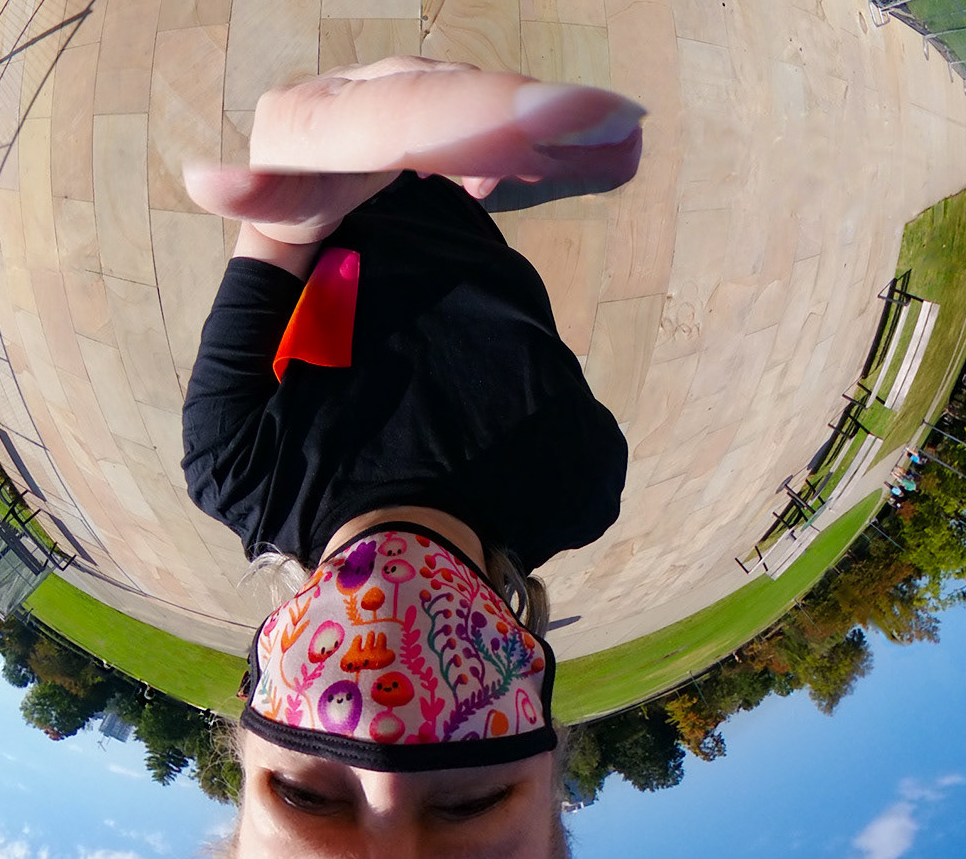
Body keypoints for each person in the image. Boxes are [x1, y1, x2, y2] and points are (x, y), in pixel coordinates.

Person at [181, 56, 645, 855]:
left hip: (354, 182)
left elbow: (275, 231)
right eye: (470, 802)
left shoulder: (237, 464)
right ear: (541, 710)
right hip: (467, 208)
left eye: (303, 795)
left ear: (250, 704)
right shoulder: (575, 480)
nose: (381, 739)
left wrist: (308, 182)